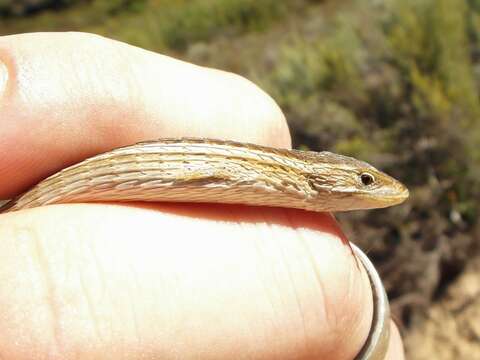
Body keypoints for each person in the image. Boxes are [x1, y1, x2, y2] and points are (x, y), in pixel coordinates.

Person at [0, 32, 405, 359]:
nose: (379, 190)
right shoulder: (265, 170)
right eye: (366, 180)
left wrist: (370, 338)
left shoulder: (286, 204)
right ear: (320, 175)